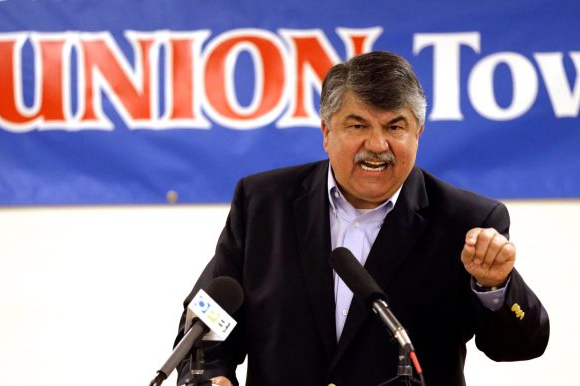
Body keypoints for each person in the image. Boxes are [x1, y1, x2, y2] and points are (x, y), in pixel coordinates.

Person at [175, 51, 549, 386]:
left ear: (418, 133)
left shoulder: (467, 221)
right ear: (326, 132)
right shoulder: (262, 205)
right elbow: (205, 323)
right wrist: (209, 377)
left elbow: (518, 347)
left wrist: (494, 287)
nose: (377, 145)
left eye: (394, 127)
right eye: (358, 126)